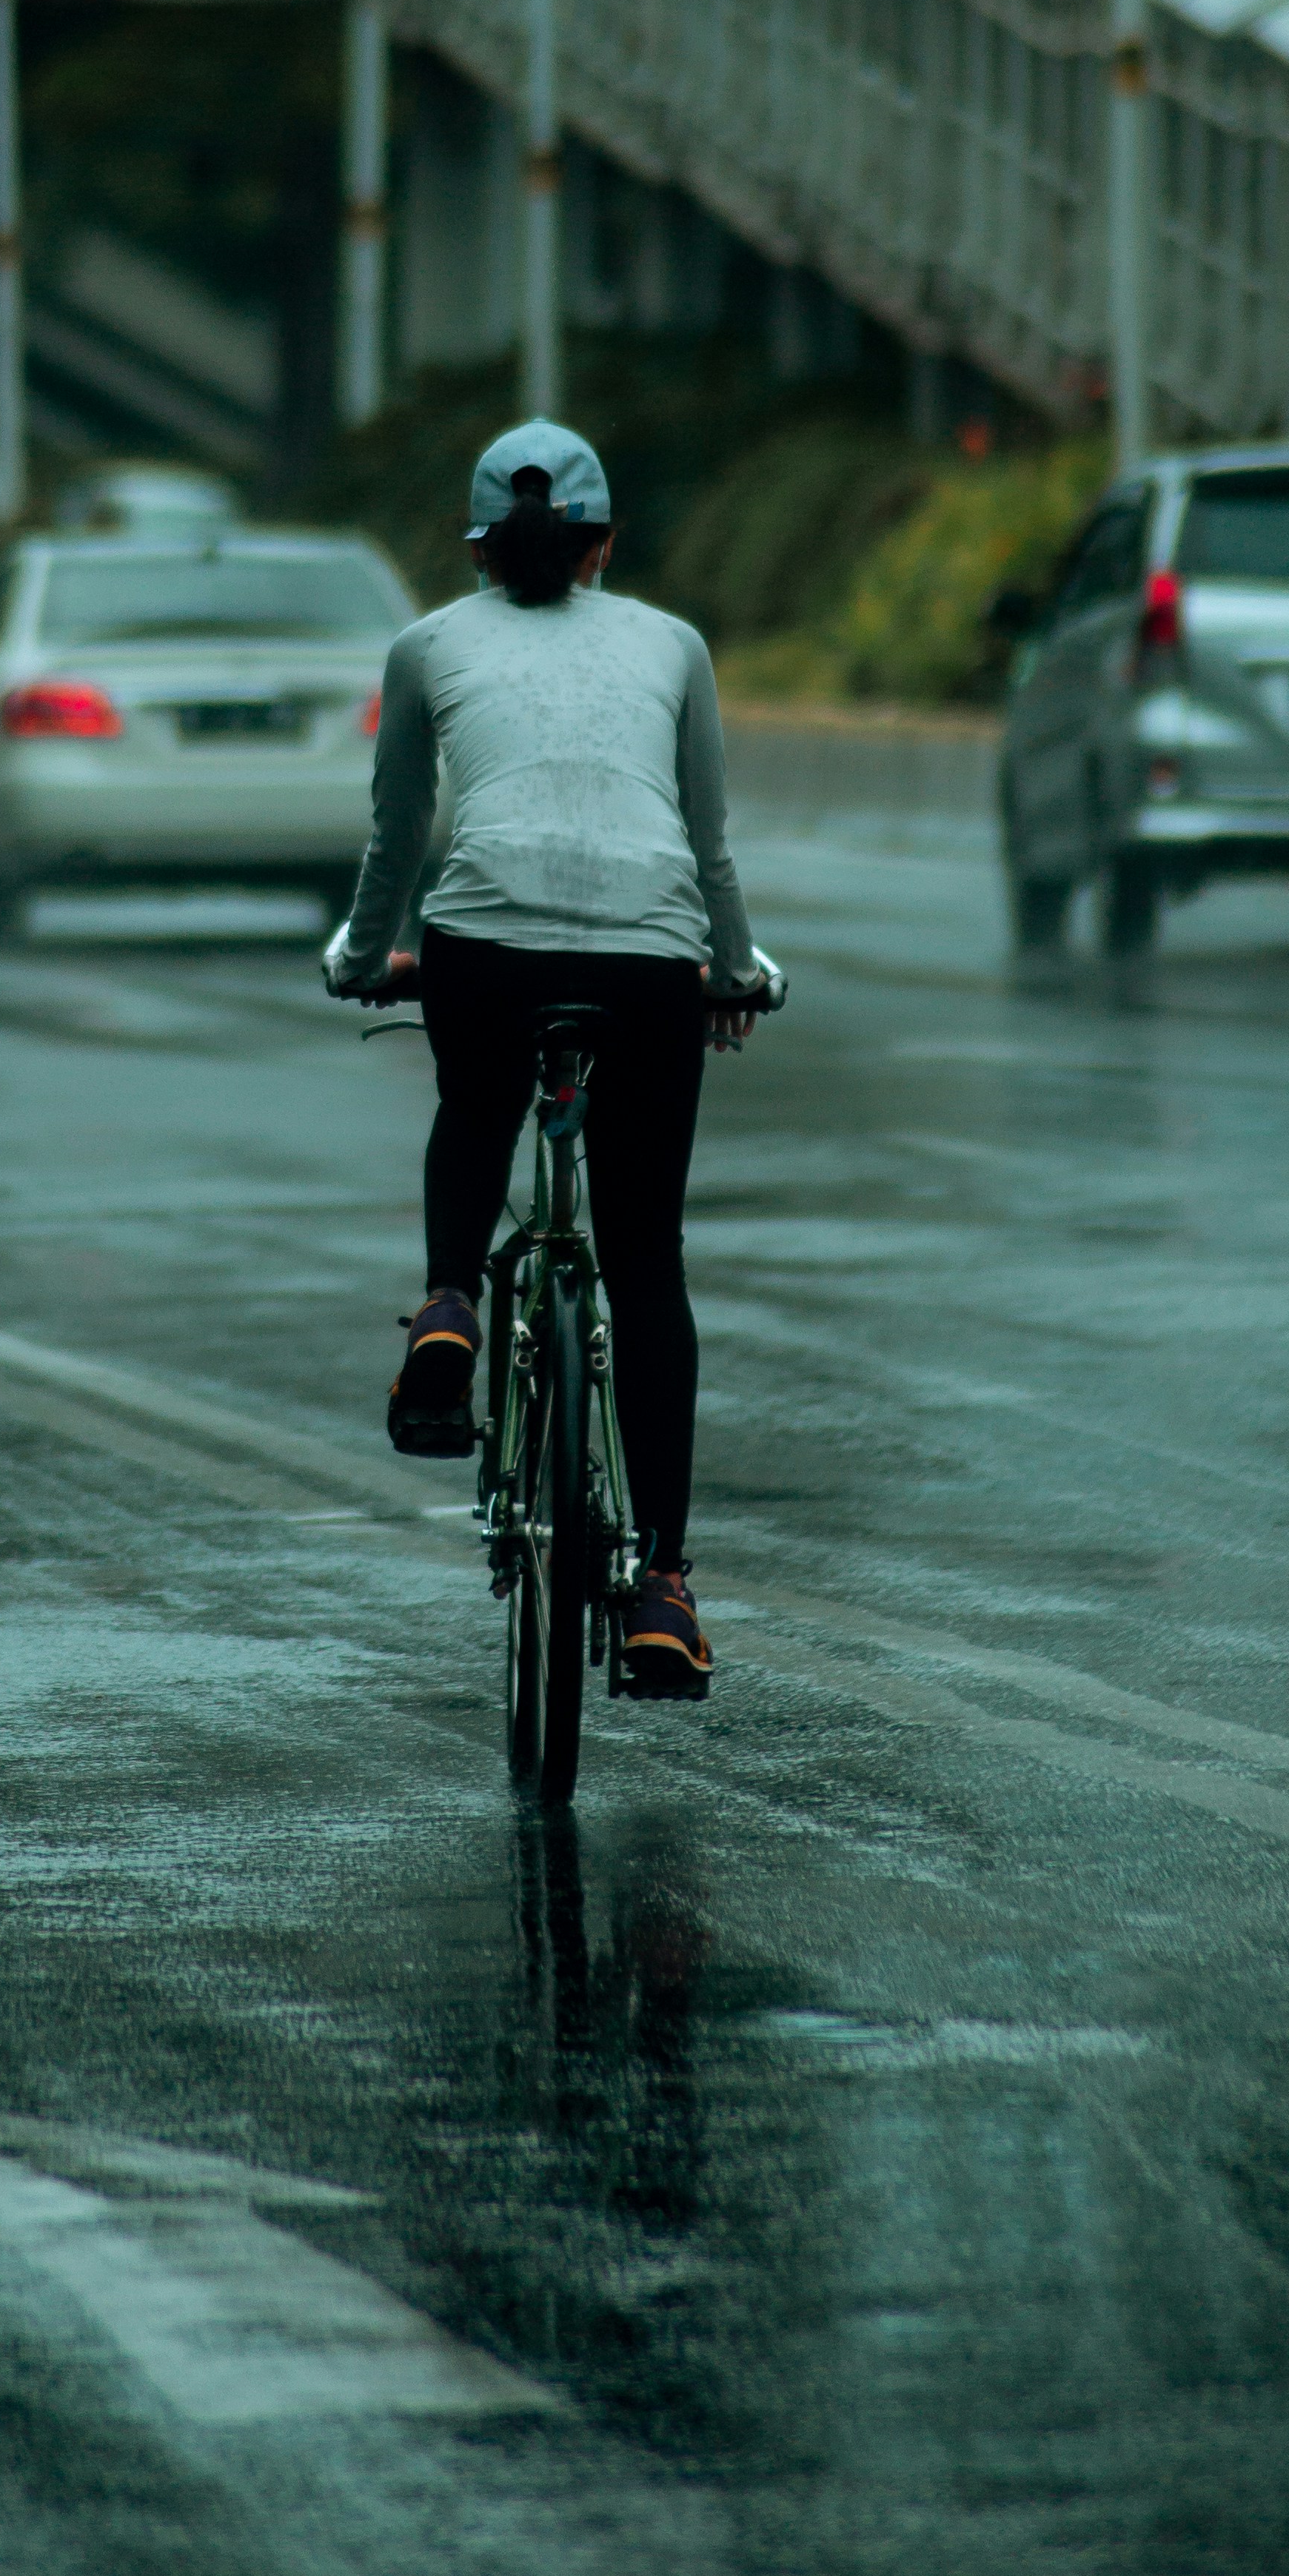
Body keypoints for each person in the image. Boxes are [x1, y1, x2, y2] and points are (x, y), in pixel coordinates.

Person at [324, 418, 783, 1701]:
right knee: (645, 1260)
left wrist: (366, 956)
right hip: (649, 965)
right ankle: (664, 1591)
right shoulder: (673, 645)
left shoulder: (427, 645)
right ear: (606, 543)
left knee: (476, 1105)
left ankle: (450, 1309)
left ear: (477, 545)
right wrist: (733, 973)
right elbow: (708, 849)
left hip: (483, 952)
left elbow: (397, 838)